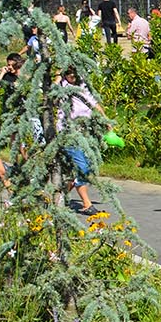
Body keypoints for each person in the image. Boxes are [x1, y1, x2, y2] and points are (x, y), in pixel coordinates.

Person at [60, 68, 102, 213]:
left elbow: (93, 102)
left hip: (84, 133)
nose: (72, 76)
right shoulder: (63, 87)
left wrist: (105, 119)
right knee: (82, 168)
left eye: (74, 73)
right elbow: (54, 88)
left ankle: (58, 195)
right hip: (69, 133)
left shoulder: (83, 85)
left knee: (78, 169)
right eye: (68, 73)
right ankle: (86, 204)